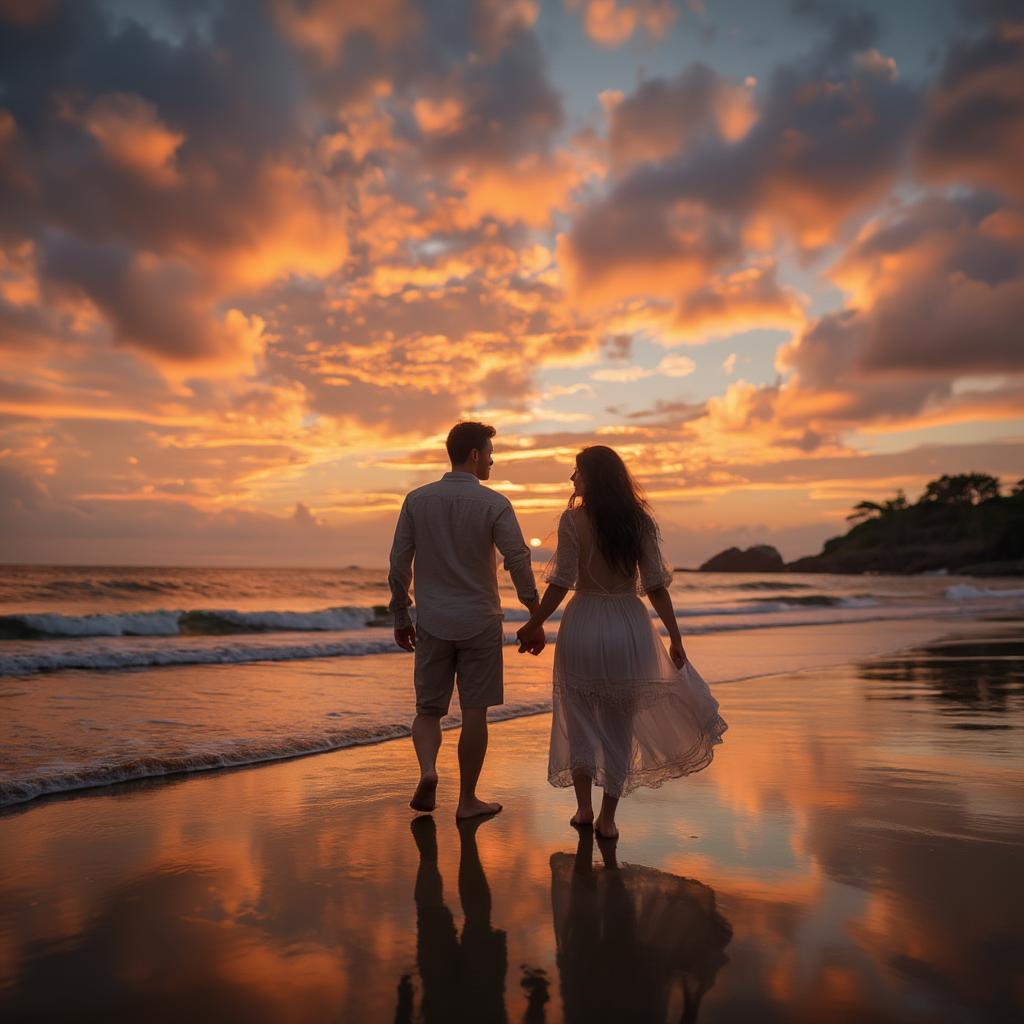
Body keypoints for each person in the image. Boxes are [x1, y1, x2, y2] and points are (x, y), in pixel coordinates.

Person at [516, 445, 727, 839]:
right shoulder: (639, 523)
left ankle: (583, 809)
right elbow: (656, 587)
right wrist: (676, 637)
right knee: (619, 724)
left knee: (577, 717)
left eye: (576, 471)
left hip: (584, 623)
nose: (571, 478)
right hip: (629, 627)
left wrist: (535, 623)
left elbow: (562, 581)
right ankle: (608, 819)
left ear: (592, 478)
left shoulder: (572, 520)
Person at [389, 421, 545, 819]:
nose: (493, 460)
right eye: (490, 452)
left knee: (428, 710)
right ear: (475, 455)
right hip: (479, 621)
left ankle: (427, 771)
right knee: (475, 712)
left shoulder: (416, 500)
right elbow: (517, 558)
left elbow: (398, 563)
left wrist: (400, 611)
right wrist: (534, 611)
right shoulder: (495, 504)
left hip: (433, 621)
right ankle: (467, 801)